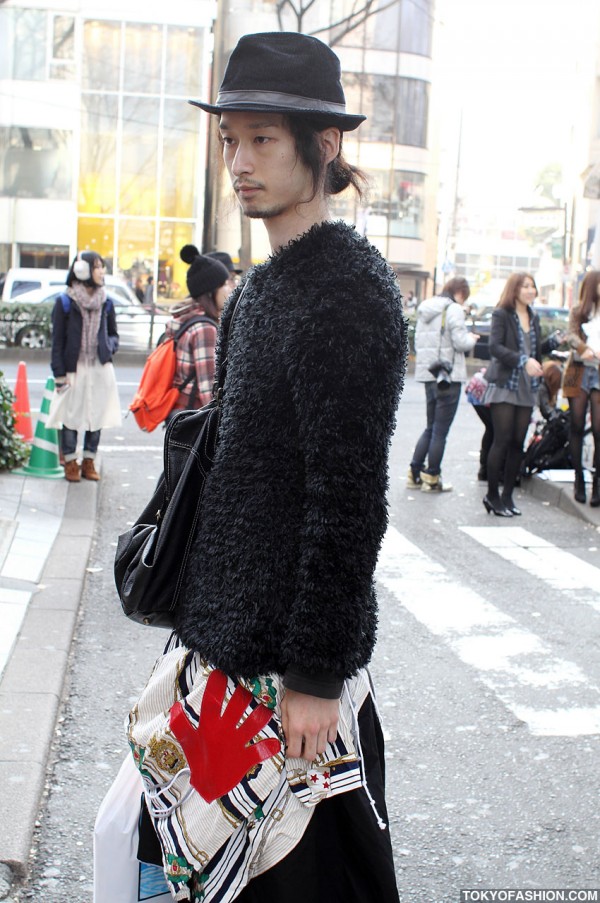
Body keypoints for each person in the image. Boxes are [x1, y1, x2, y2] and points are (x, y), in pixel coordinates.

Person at [132, 31, 406, 903]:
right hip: (221, 658)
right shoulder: (258, 290)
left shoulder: (349, 292)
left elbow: (348, 501)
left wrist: (317, 675)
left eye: (261, 139)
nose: (239, 162)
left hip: (291, 683)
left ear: (322, 148)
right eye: (229, 140)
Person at [482, 273, 559, 517]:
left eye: (533, 286)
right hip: (506, 383)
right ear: (514, 289)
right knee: (502, 440)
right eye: (525, 286)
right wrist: (522, 360)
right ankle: (492, 495)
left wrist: (550, 344)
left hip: (527, 386)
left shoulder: (533, 317)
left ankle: (507, 496)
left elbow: (533, 351)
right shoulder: (501, 314)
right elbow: (495, 348)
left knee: (518, 443)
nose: (530, 290)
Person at [47, 251, 120, 481]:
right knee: (70, 415)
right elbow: (57, 341)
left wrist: (108, 346)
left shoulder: (106, 302)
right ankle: (70, 461)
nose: (102, 272)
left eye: (101, 267)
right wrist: (59, 373)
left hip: (99, 366)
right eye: (97, 267)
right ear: (83, 270)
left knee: (96, 414)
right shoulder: (65, 302)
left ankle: (89, 461)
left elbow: (114, 334)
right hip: (73, 368)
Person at [407, 276, 479, 492]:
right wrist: (472, 339)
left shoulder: (425, 309)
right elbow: (460, 342)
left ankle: (414, 473)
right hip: (448, 377)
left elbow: (419, 343)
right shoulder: (453, 308)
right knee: (440, 431)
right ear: (460, 293)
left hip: (430, 375)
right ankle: (432, 477)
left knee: (431, 427)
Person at [164, 247, 230, 420]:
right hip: (196, 419)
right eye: (224, 284)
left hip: (182, 413)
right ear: (210, 292)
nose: (230, 289)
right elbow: (209, 392)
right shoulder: (205, 329)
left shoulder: (187, 319)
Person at [562, 270, 600, 506]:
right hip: (577, 371)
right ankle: (579, 479)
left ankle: (597, 483)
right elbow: (571, 336)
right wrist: (586, 348)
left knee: (598, 430)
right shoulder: (579, 311)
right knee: (576, 424)